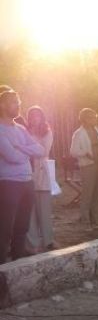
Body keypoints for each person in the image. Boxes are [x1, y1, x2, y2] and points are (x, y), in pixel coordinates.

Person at [0, 91, 47, 262]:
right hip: (8, 184)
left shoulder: (20, 129)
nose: (18, 104)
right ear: (2, 105)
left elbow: (41, 150)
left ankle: (18, 266)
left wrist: (19, 147)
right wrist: (27, 152)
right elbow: (12, 157)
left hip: (28, 182)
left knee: (22, 228)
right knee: (5, 229)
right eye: (14, 102)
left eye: (18, 101)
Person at [70, 108, 98, 230]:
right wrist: (86, 153)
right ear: (85, 119)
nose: (95, 119)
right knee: (87, 193)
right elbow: (73, 151)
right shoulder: (78, 133)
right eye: (93, 117)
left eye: (95, 117)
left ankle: (97, 220)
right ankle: (85, 221)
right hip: (88, 165)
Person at [25, 106, 55, 252]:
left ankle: (48, 240)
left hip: (42, 174)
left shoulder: (47, 132)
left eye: (37, 115)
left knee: (44, 210)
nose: (34, 118)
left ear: (42, 117)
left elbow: (44, 151)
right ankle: (33, 243)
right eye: (31, 115)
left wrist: (26, 148)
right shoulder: (24, 131)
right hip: (27, 174)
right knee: (30, 211)